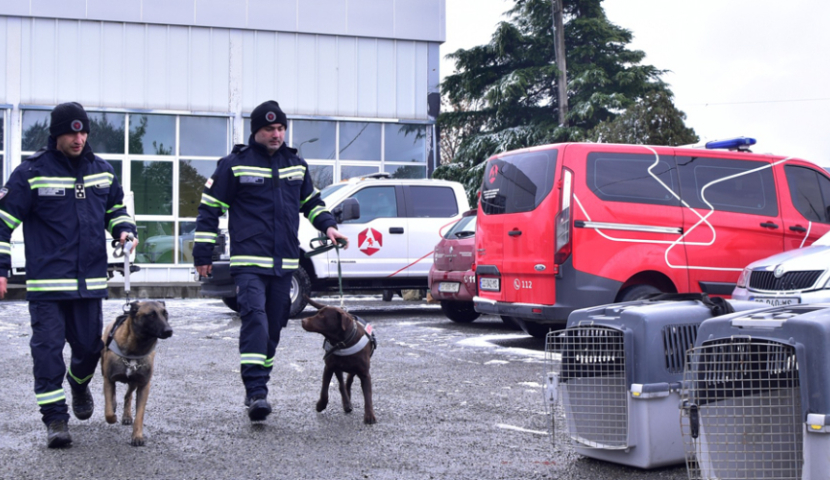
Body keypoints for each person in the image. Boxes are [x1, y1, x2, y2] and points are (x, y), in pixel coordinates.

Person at [193, 100, 348, 422]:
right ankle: (256, 392)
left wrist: (329, 226)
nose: (276, 134)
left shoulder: (295, 164)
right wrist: (202, 255)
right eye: (269, 129)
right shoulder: (234, 164)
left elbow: (312, 203)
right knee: (255, 320)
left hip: (285, 263)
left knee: (274, 327)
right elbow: (209, 209)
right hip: (249, 262)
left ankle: (259, 383)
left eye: (280, 129)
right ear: (256, 131)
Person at [0, 102, 138, 448]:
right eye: (70, 132)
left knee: (90, 351)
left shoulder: (102, 171)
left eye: (82, 131)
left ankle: (78, 384)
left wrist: (124, 230)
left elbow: (116, 209)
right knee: (46, 352)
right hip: (47, 287)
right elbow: (2, 224)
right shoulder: (31, 173)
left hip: (89, 285)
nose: (78, 139)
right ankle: (56, 420)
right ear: (56, 134)